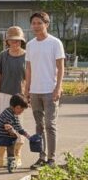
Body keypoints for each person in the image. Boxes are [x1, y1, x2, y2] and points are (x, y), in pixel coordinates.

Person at [24, 11, 65, 169]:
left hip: (50, 90)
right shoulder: (30, 44)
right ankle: (41, 157)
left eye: (39, 23)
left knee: (50, 125)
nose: (36, 26)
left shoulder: (55, 43)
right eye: (33, 23)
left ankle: (51, 159)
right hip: (35, 91)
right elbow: (28, 69)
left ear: (46, 24)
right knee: (38, 126)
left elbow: (60, 67)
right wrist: (26, 89)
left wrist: (58, 87)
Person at [0, 26, 27, 167]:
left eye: (18, 41)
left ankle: (17, 156)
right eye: (12, 40)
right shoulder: (3, 55)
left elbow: (29, 77)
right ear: (7, 41)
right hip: (4, 94)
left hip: (19, 96)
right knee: (2, 125)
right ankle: (1, 157)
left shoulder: (27, 56)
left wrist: (27, 95)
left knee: (17, 125)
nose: (15, 43)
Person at [0, 94, 31, 173]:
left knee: (10, 148)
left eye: (22, 110)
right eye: (20, 109)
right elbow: (7, 126)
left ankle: (11, 163)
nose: (21, 111)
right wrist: (13, 133)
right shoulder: (7, 113)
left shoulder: (15, 114)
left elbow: (18, 126)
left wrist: (27, 135)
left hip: (7, 135)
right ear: (14, 107)